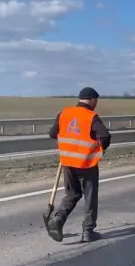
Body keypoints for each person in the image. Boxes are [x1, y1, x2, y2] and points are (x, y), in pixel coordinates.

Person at [45, 87, 112, 243]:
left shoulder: (64, 113)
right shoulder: (91, 117)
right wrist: (99, 150)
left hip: (67, 162)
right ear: (93, 100)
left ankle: (58, 219)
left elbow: (53, 133)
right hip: (86, 163)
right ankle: (88, 231)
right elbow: (105, 136)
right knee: (90, 196)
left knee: (72, 194)